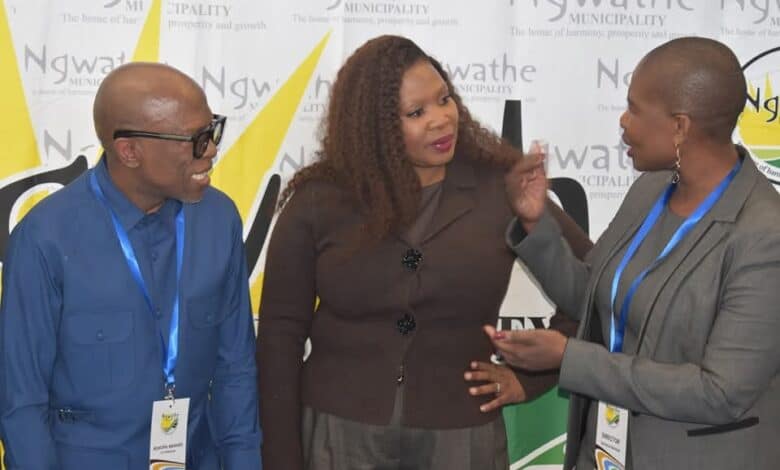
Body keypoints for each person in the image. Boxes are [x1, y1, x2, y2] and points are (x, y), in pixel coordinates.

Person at [256, 35, 591, 470]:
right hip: (339, 433)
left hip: (461, 433)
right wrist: (281, 456)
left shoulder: (500, 188)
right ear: (375, 128)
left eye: (444, 99)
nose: (441, 120)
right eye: (416, 112)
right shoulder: (320, 199)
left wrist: (533, 377)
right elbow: (280, 333)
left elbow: (594, 286)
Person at [490, 37, 780, 469]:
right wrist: (537, 224)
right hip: (603, 454)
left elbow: (720, 392)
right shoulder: (651, 190)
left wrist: (570, 358)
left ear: (680, 127)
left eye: (634, 109)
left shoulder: (765, 235)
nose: (623, 122)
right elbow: (591, 299)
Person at [0, 62, 261, 469]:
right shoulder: (45, 238)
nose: (211, 150)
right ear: (129, 151)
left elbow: (236, 371)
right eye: (196, 140)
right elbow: (22, 401)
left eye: (212, 131)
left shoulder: (218, 220)